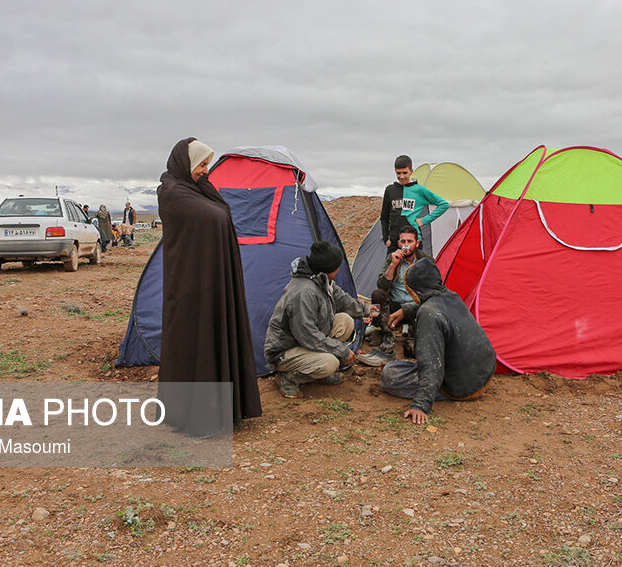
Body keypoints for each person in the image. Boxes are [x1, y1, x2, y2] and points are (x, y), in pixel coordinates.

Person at [156, 137, 261, 433]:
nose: (205, 170)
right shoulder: (172, 192)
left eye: (206, 164)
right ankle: (193, 416)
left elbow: (219, 212)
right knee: (193, 345)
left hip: (210, 280)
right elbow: (216, 215)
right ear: (185, 163)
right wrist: (219, 212)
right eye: (201, 164)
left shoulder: (195, 188)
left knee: (213, 337)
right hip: (188, 286)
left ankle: (222, 410)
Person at [381, 258, 496, 424]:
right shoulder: (451, 296)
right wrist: (406, 311)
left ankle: (439, 394)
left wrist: (421, 405)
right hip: (483, 370)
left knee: (390, 373)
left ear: (416, 290)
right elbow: (434, 303)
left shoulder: (428, 315)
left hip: (462, 386)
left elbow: (431, 365)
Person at [265, 241, 374, 399]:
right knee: (330, 363)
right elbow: (307, 335)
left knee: (345, 321)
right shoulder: (303, 292)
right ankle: (289, 377)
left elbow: (342, 300)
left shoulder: (321, 279)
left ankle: (317, 371)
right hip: (285, 349)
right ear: (331, 269)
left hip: (304, 340)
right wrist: (340, 350)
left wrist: (367, 310)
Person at [358, 226, 431, 366]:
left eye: (410, 241)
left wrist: (412, 307)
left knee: (426, 309)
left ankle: (412, 334)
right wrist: (393, 265)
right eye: (403, 241)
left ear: (417, 243)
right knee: (377, 294)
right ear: (398, 244)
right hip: (394, 304)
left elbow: (430, 291)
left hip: (414, 306)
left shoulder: (426, 262)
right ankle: (387, 335)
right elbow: (382, 285)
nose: (406, 245)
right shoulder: (393, 258)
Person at [380, 155, 449, 253]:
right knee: (390, 268)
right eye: (398, 173)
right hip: (394, 242)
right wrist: (386, 238)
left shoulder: (419, 190)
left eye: (405, 173)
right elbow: (384, 216)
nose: (401, 176)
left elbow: (444, 204)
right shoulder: (390, 190)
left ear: (411, 171)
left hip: (413, 240)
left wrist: (424, 220)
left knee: (414, 268)